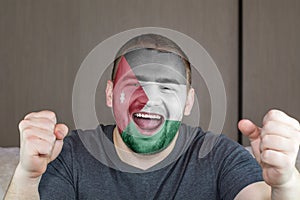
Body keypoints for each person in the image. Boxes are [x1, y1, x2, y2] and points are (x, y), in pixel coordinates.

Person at [5, 34, 300, 200]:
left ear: (188, 101)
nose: (148, 99)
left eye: (167, 87)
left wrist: (285, 182)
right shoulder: (71, 155)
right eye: (134, 84)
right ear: (110, 95)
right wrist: (27, 177)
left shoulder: (219, 157)